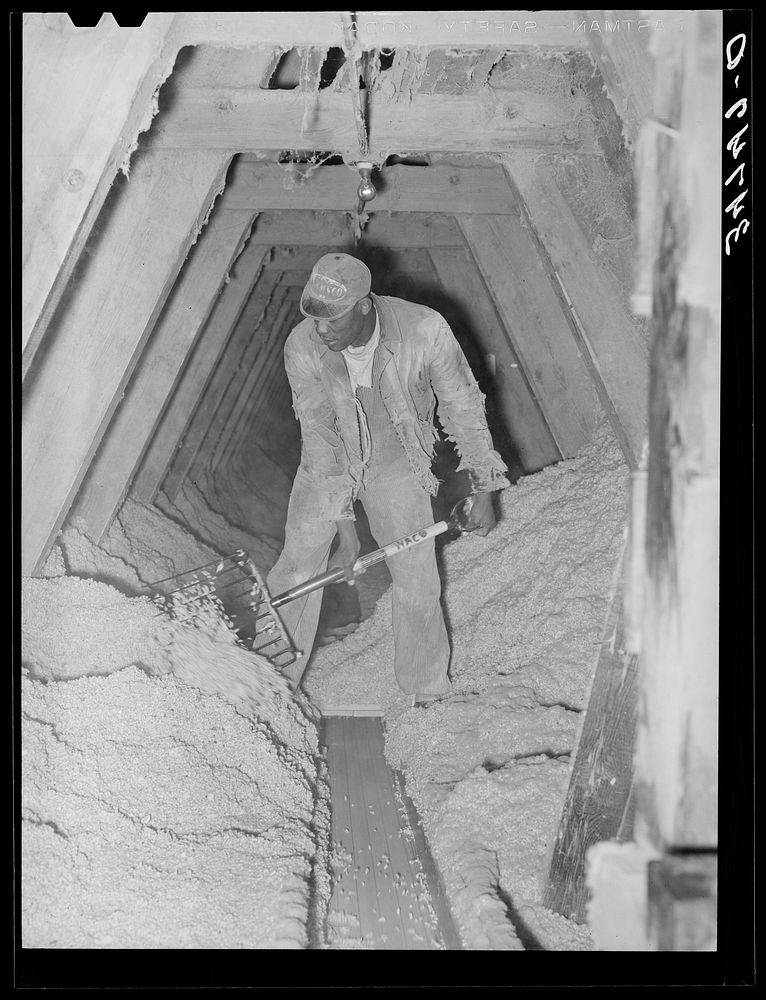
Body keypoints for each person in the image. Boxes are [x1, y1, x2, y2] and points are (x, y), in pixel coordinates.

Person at [266, 253, 509, 703]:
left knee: (417, 578)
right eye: (314, 319)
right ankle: (272, 690)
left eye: (331, 320)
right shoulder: (303, 345)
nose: (321, 330)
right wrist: (345, 530)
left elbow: (463, 406)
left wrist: (485, 486)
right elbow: (320, 437)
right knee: (298, 566)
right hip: (329, 463)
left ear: (364, 306)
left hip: (397, 462)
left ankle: (426, 694)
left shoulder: (424, 329)